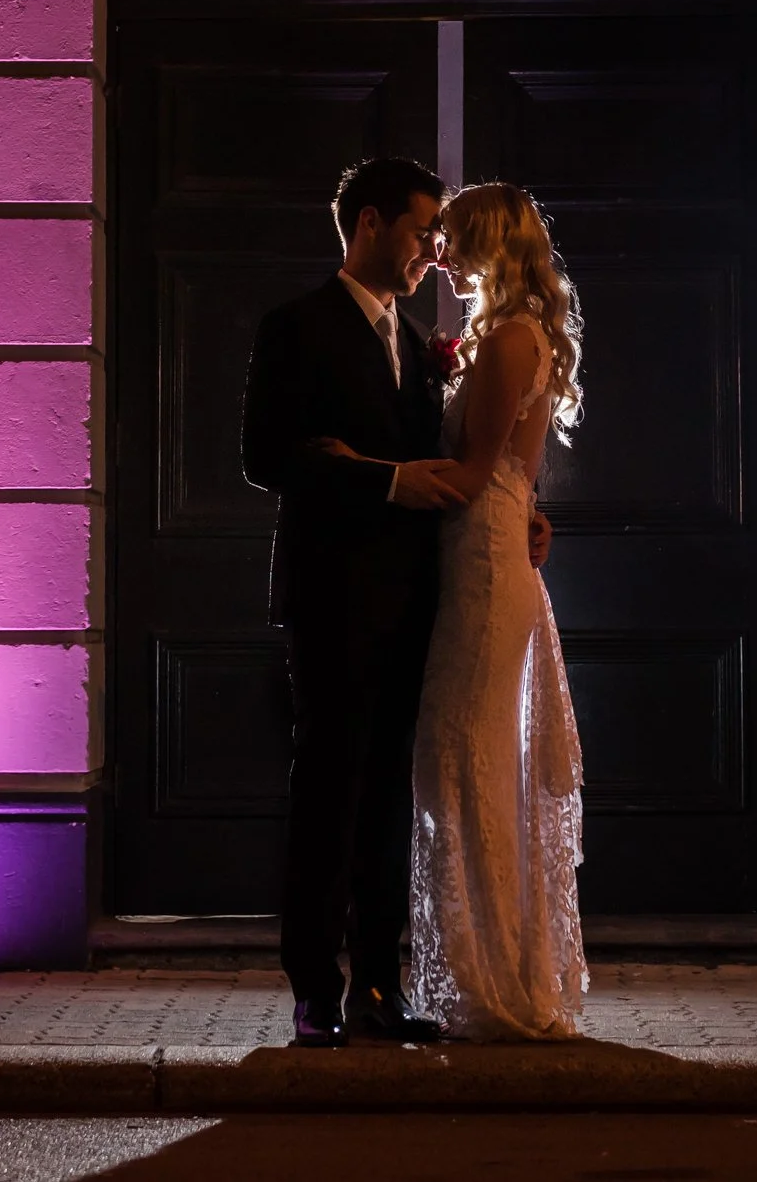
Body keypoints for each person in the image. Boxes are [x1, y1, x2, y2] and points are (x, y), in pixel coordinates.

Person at [241, 157, 551, 1049]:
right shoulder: (296, 326)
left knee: (388, 800)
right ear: (369, 224)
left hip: (424, 600)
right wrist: (383, 481)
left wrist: (527, 513)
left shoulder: (423, 348)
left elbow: (476, 461)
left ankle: (382, 980)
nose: (433, 250)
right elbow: (268, 455)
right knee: (330, 791)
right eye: (423, 232)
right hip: (333, 597)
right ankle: (314, 990)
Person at [319, 181, 586, 1040]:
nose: (438, 249)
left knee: (460, 761)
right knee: (458, 762)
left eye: (452, 235)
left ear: (488, 244)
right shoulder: (503, 336)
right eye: (433, 233)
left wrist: (361, 466)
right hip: (475, 561)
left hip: (484, 565)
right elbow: (508, 470)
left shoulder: (511, 340)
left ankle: (491, 974)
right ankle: (482, 967)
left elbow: (476, 479)